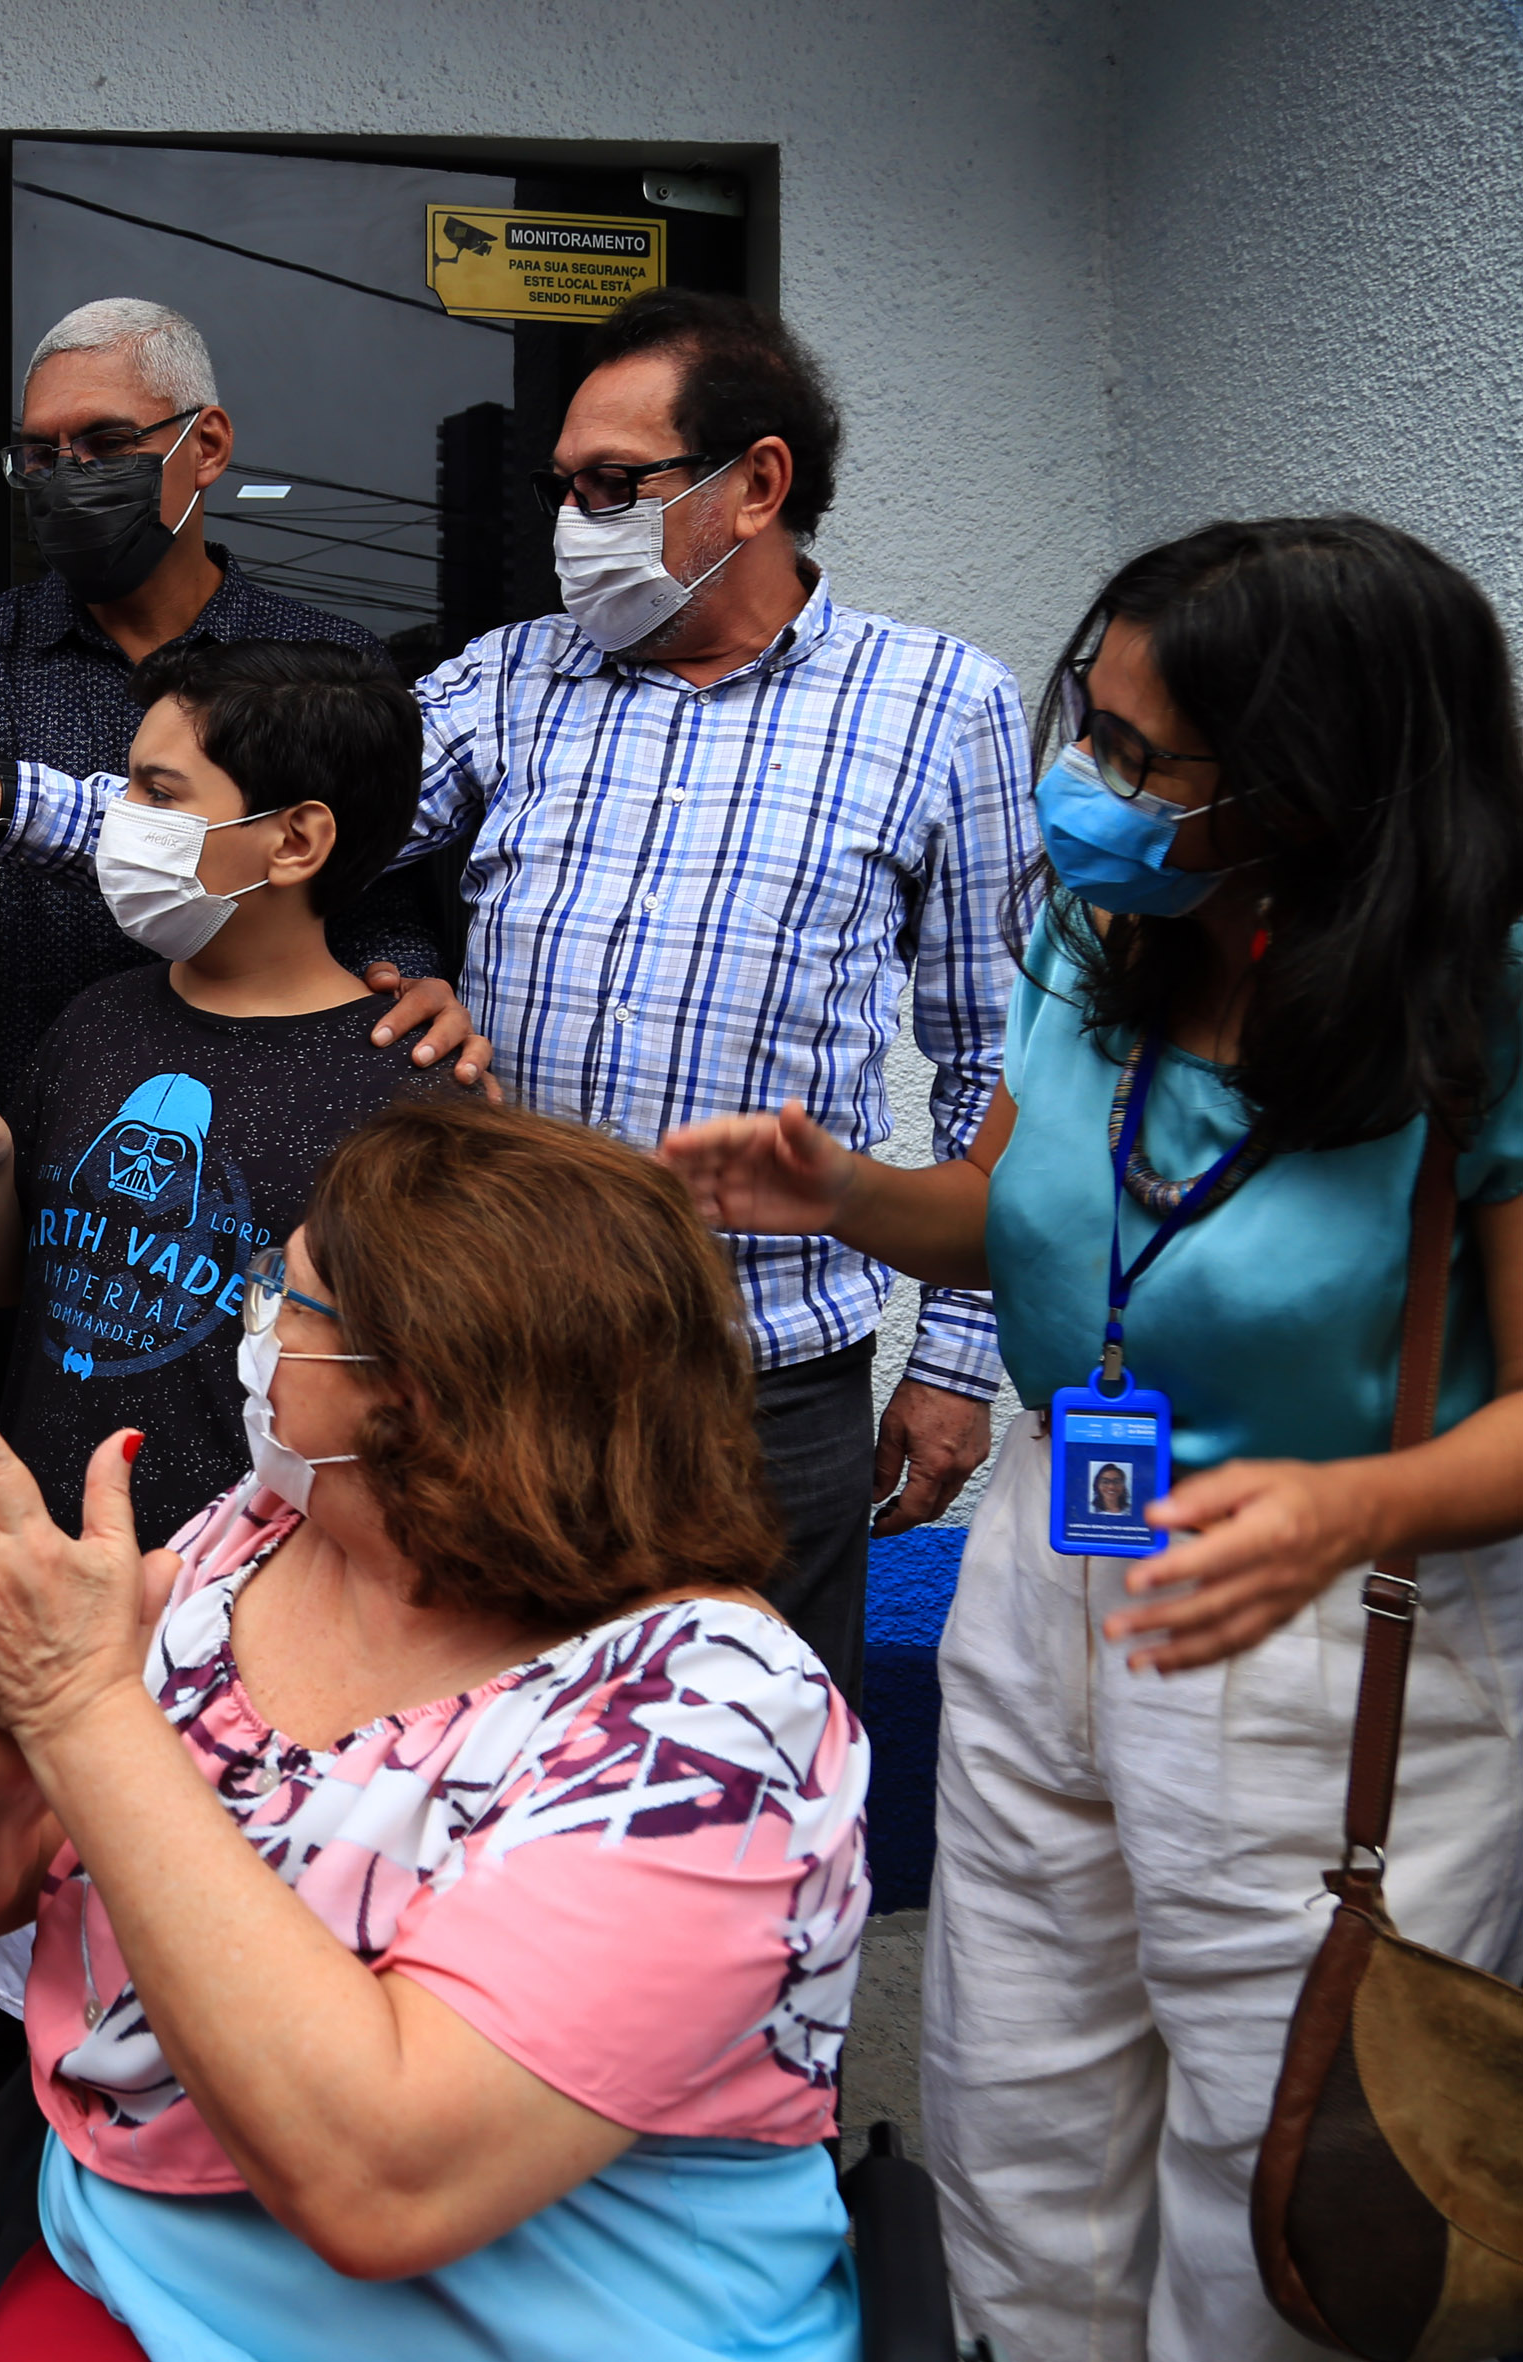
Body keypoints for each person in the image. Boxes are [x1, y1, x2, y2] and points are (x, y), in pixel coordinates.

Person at [0, 289, 1034, 1698]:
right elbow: (283, 816)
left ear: (754, 484)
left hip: (752, 1374)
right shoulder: (511, 681)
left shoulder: (938, 706)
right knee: (491, 1780)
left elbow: (989, 1061)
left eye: (610, 487)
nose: (569, 522)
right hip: (497, 1369)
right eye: (556, 489)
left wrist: (956, 1360)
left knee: (744, 1778)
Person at [658, 514, 1523, 2360]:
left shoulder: (1480, 999)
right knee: (1016, 2099)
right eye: (1089, 724)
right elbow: (1023, 1215)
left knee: (1270, 2161)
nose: (1081, 782)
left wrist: (1346, 1497)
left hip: (1316, 1606)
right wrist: (846, 1196)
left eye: (1138, 755)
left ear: (1306, 785)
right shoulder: (1101, 931)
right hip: (1056, 1542)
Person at [0, 1098, 868, 2361]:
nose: (253, 1319)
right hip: (136, 2272)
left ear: (413, 1400)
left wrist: (76, 1710)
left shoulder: (710, 1725)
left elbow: (386, 2184)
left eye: (290, 1298)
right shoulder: (259, 1537)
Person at [0, 297, 487, 1128]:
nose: (67, 476)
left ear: (204, 445)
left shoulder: (326, 663)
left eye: (105, 445)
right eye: (40, 455)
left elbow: (373, 881)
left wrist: (403, 985)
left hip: (263, 1132)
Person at [0, 639, 448, 1549]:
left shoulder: (410, 1106)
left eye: (159, 796)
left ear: (293, 841)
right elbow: (5, 1282)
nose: (120, 819)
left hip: (243, 1606)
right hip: (48, 1555)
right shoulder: (97, 1021)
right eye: (125, 786)